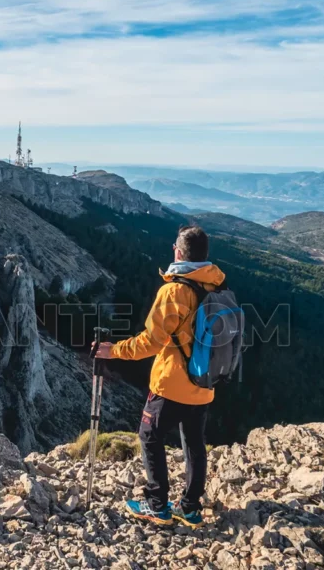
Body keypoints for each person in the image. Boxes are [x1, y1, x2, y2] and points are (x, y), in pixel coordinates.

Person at [94, 225, 224, 528]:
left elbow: (150, 343)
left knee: (149, 436)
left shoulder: (174, 291)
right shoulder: (215, 285)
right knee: (194, 443)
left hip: (172, 385)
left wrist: (114, 351)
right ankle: (190, 509)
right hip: (204, 383)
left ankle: (157, 505)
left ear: (178, 253)